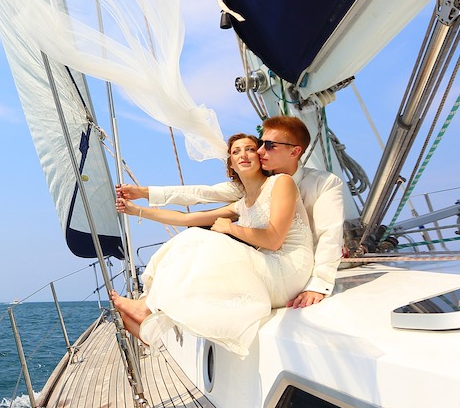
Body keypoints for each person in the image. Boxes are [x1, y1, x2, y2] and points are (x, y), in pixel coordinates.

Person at [110, 132, 313, 357]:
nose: (243, 155)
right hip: (269, 268)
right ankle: (149, 309)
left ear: (260, 156)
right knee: (192, 235)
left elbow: (274, 241)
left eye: (249, 149)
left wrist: (230, 228)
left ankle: (145, 309)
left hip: (289, 269)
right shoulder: (241, 204)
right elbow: (187, 219)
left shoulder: (280, 183)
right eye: (236, 152)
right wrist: (136, 210)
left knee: (209, 241)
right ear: (231, 166)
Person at [118, 115, 345, 309]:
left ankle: (149, 306)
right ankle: (150, 304)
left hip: (300, 267)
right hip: (270, 260)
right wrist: (141, 199)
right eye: (261, 143)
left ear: (295, 152)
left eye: (269, 145)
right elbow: (198, 196)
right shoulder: (250, 189)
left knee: (209, 245)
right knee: (195, 240)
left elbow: (329, 234)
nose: (259, 150)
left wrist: (319, 284)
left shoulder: (324, 183)